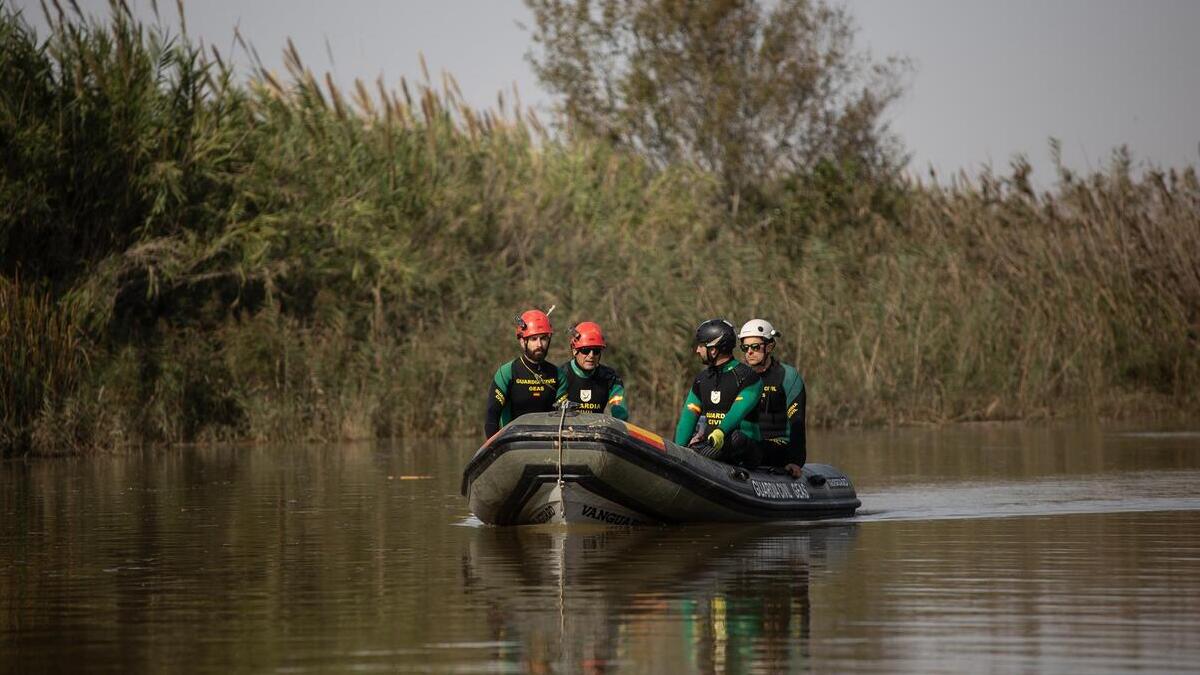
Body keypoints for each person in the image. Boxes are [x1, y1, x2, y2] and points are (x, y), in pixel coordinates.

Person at [673, 319, 763, 465]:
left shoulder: (748, 377)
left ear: (713, 349)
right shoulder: (702, 379)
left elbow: (737, 412)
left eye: (701, 346)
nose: (697, 350)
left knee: (734, 437)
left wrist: (720, 431)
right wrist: (676, 450)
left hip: (745, 447)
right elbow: (688, 416)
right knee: (683, 434)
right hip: (712, 444)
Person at [739, 319, 806, 478]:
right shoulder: (738, 377)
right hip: (746, 441)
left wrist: (795, 461)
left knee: (742, 444)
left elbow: (797, 421)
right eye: (745, 347)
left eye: (755, 347)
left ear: (769, 347)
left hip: (779, 445)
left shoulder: (788, 376)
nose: (749, 352)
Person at [484, 309, 561, 438]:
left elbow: (563, 417)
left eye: (543, 338)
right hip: (513, 446)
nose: (539, 344)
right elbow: (492, 415)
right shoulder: (506, 373)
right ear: (522, 341)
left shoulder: (558, 375)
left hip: (548, 447)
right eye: (533, 339)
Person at [555, 321, 628, 420]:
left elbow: (621, 414)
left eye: (596, 351)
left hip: (596, 432)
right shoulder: (560, 375)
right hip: (564, 432)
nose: (591, 355)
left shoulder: (610, 378)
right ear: (574, 350)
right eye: (585, 350)